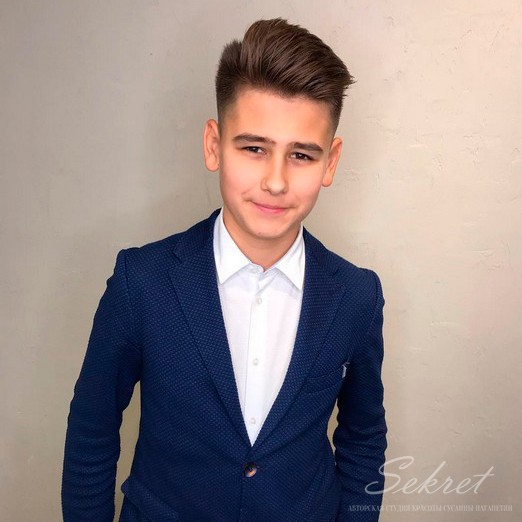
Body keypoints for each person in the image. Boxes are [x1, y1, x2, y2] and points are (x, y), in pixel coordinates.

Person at [62, 17, 387, 522]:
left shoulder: (356, 296)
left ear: (331, 161)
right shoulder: (141, 282)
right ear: (214, 144)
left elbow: (363, 437)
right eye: (254, 148)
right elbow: (92, 431)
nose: (275, 181)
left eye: (302, 155)